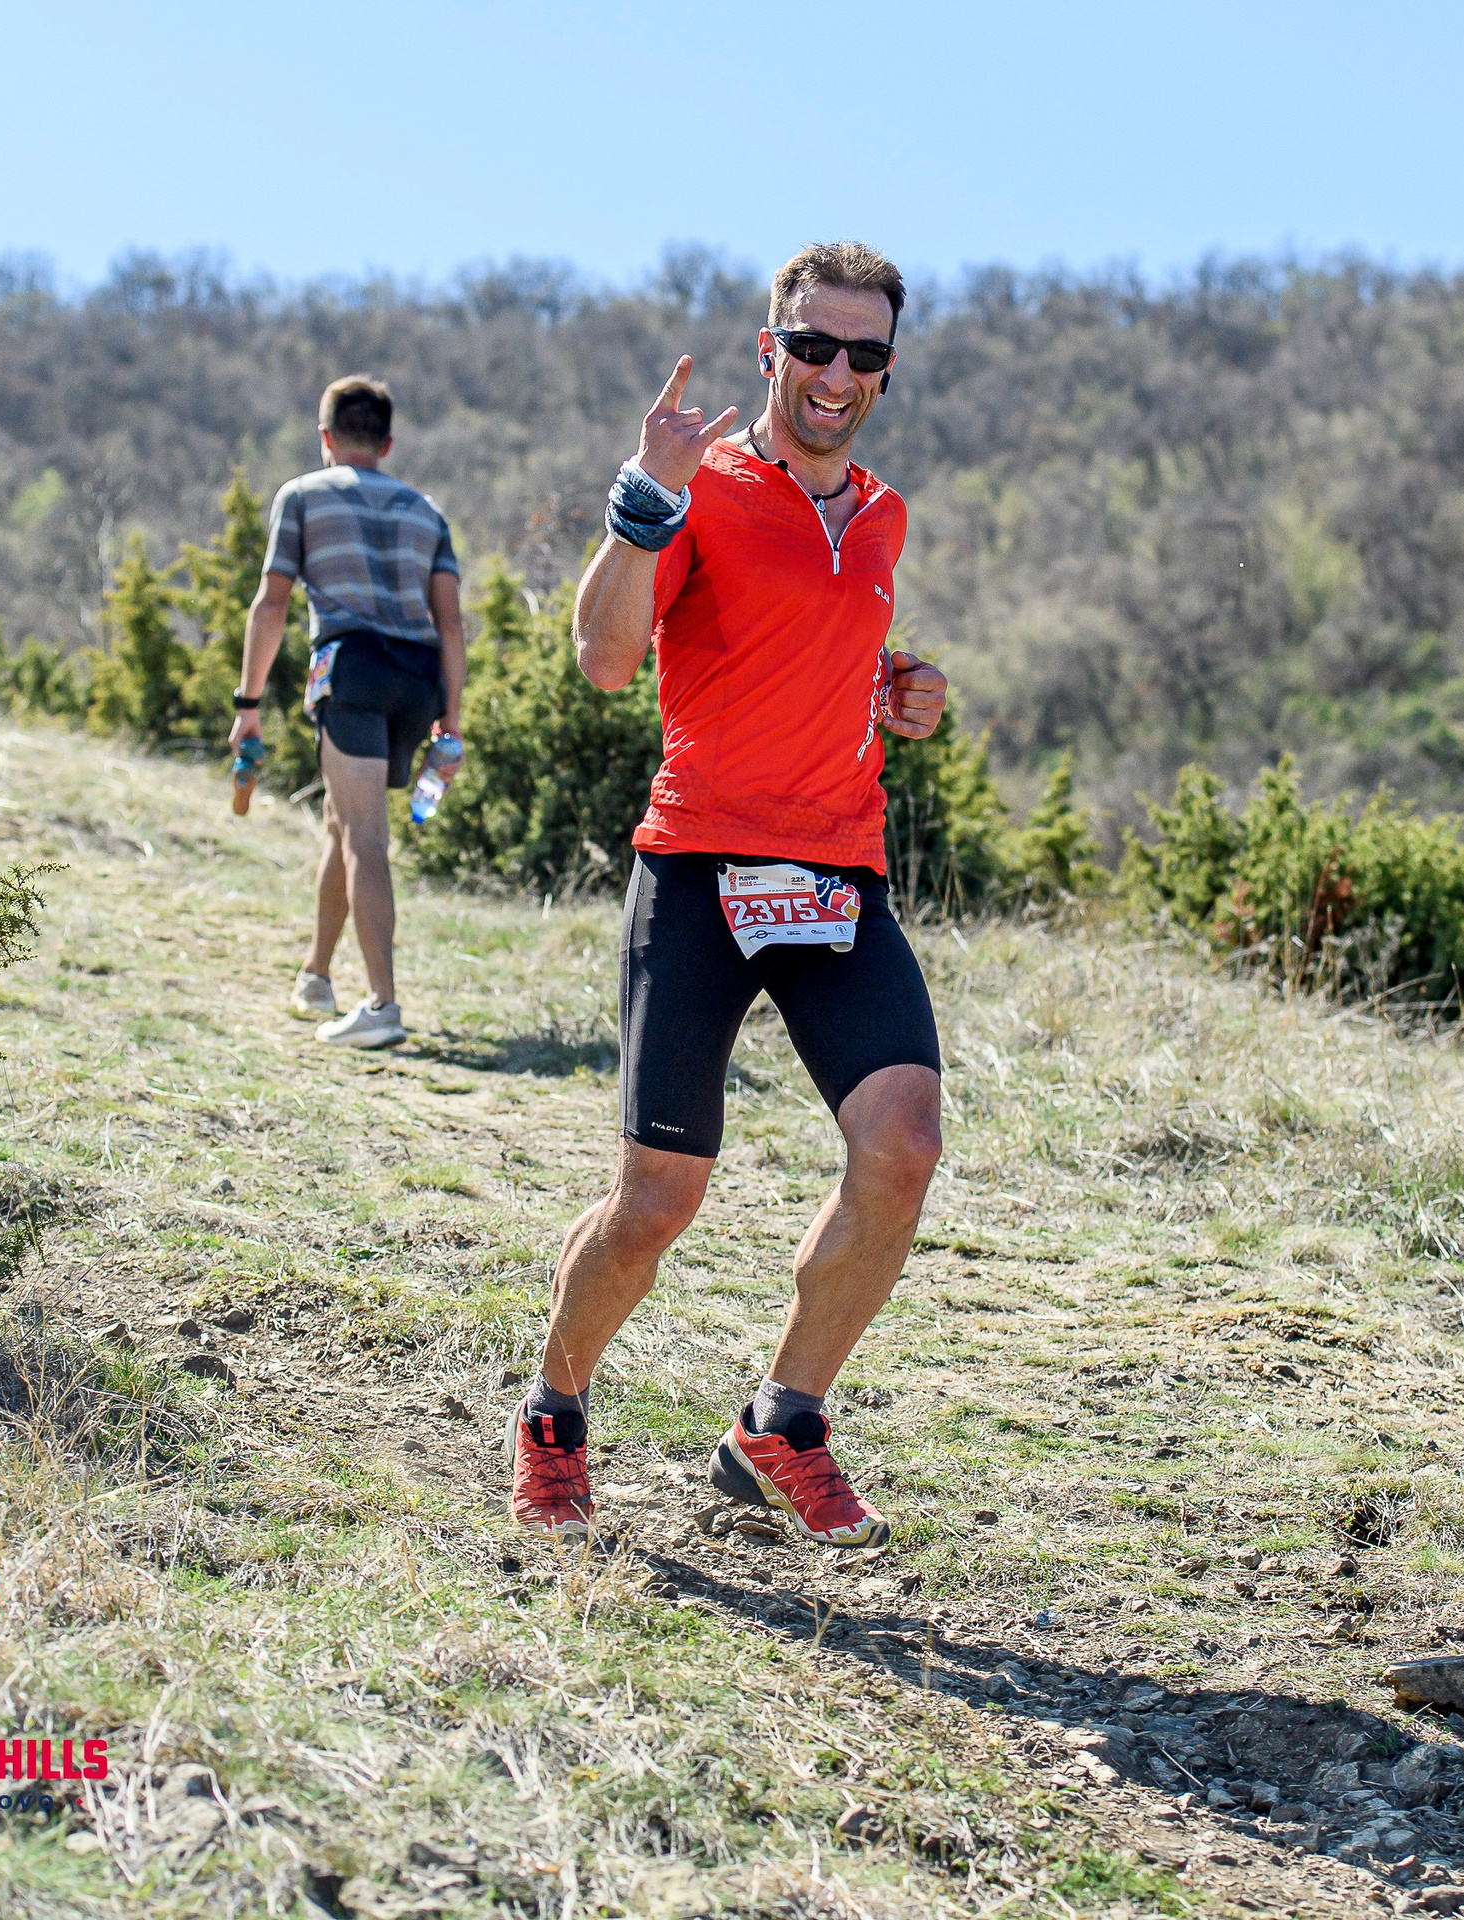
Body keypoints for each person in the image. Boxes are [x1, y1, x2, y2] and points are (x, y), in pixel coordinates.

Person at [509, 242, 948, 1547]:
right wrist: (646, 497)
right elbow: (603, 658)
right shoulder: (699, 486)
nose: (835, 372)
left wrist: (901, 694)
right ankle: (554, 1412)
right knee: (657, 1201)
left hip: (837, 875)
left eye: (863, 352)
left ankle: (781, 1423)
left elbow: (815, 647)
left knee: (903, 1146)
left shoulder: (882, 516)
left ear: (885, 368)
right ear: (771, 351)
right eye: (811, 345)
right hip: (701, 870)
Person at [229, 375, 464, 1049]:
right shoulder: (426, 512)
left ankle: (382, 1005)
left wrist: (248, 704)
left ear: (325, 437)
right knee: (342, 822)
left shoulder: (303, 495)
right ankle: (316, 976)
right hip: (418, 681)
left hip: (354, 670)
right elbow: (452, 625)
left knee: (365, 836)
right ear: (387, 444)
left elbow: (272, 603)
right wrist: (451, 720)